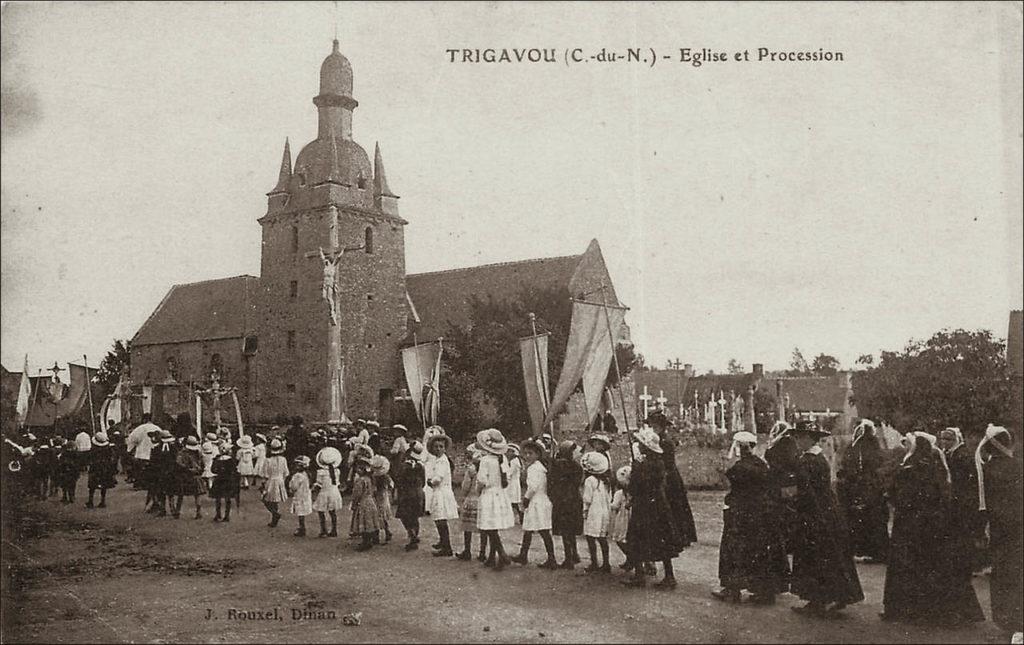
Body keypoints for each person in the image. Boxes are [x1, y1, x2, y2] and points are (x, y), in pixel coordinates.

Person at [882, 431, 983, 625]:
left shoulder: (910, 468)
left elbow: (899, 495)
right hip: (931, 525)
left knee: (907, 566)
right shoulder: (934, 467)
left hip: (909, 525)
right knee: (930, 567)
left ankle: (903, 609)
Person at [789, 423, 864, 617]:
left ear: (808, 438)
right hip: (828, 511)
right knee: (831, 555)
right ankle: (836, 596)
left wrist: (794, 503)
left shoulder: (807, 461)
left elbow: (806, 492)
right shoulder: (819, 458)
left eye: (799, 437)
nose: (796, 441)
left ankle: (818, 600)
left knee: (815, 556)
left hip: (814, 514)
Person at [713, 431, 790, 604]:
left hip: (741, 513)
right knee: (759, 551)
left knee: (734, 549)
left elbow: (731, 485)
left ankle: (732, 589)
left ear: (741, 447)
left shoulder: (739, 468)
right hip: (761, 514)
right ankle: (764, 591)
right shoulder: (761, 464)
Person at [622, 427, 684, 589]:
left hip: (644, 506)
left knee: (636, 539)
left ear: (646, 447)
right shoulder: (659, 463)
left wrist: (635, 469)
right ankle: (669, 576)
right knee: (662, 540)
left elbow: (635, 487)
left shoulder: (642, 465)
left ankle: (639, 575)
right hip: (659, 505)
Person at [976, 425, 1023, 636]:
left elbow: (983, 504)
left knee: (1003, 576)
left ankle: (1007, 624)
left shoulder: (988, 469)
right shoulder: (1018, 466)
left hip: (1000, 530)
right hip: (1018, 528)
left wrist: (980, 530)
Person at [837, 420, 890, 563]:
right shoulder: (871, 445)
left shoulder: (859, 446)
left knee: (864, 518)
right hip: (868, 487)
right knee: (869, 519)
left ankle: (866, 550)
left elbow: (854, 466)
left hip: (863, 487)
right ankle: (871, 550)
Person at [940, 427, 986, 574]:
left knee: (965, 533)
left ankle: (972, 564)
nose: (945, 442)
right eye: (943, 439)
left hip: (964, 500)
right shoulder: (950, 454)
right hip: (955, 499)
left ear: (955, 440)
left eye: (948, 439)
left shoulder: (962, 455)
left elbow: (964, 480)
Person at [651, 423, 698, 550]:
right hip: (669, 473)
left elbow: (668, 462)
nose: (653, 428)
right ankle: (681, 535)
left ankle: (681, 535)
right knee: (676, 505)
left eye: (654, 426)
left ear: (660, 427)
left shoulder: (665, 441)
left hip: (669, 475)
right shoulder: (663, 440)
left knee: (675, 505)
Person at [512, 439, 558, 569]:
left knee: (541, 530)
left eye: (530, 453)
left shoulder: (534, 468)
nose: (527, 456)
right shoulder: (540, 467)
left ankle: (551, 558)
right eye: (525, 453)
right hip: (541, 500)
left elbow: (533, 487)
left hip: (537, 501)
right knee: (529, 529)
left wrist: (526, 499)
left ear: (537, 454)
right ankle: (523, 555)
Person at [474, 429, 515, 571]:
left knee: (490, 528)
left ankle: (501, 554)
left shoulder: (485, 461)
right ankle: (492, 557)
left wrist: (478, 491)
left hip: (489, 494)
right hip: (499, 494)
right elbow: (507, 478)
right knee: (493, 527)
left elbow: (482, 480)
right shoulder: (503, 459)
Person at [764, 421, 800, 560]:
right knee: (785, 511)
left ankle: (787, 541)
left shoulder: (785, 442)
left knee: (786, 510)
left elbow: (788, 462)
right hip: (784, 483)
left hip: (784, 483)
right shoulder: (787, 443)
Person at [549, 440, 584, 569]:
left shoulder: (558, 465)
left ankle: (568, 559)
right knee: (571, 530)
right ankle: (574, 554)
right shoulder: (577, 466)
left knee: (565, 530)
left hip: (564, 501)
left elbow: (553, 479)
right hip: (574, 499)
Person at [425, 432, 459, 557]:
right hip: (439, 491)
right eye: (436, 447)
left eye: (441, 446)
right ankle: (443, 541)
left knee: (440, 519)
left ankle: (447, 547)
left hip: (441, 492)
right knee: (438, 518)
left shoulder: (442, 461)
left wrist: (430, 481)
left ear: (445, 448)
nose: (438, 449)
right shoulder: (438, 460)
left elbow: (438, 478)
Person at [581, 451, 613, 574]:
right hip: (604, 511)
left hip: (594, 512)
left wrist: (585, 511)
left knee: (590, 537)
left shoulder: (590, 480)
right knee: (602, 537)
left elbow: (587, 499)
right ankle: (606, 563)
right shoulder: (606, 481)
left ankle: (594, 562)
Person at [394, 441, 426, 551]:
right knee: (415, 516)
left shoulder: (405, 466)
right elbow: (424, 481)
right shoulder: (421, 466)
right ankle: (415, 535)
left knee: (405, 516)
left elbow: (399, 479)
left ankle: (412, 536)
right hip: (419, 492)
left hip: (407, 493)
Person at [456, 445, 485, 561]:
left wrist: (463, 497)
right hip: (482, 499)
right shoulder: (485, 469)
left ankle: (467, 550)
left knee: (468, 528)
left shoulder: (471, 469)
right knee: (484, 528)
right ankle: (482, 552)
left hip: (472, 499)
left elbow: (465, 485)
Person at [349, 454, 382, 551]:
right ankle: (374, 538)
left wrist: (354, 503)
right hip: (371, 501)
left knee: (363, 521)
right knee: (370, 520)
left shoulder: (360, 480)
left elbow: (357, 494)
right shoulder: (370, 479)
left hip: (363, 502)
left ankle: (366, 542)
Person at [312, 446, 345, 538]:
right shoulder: (337, 471)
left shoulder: (321, 472)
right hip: (334, 492)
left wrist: (314, 493)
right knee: (332, 512)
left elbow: (319, 484)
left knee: (321, 511)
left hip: (324, 492)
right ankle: (334, 529)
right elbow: (337, 483)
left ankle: (324, 530)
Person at [257, 438, 289, 528]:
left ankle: (275, 514)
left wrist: (263, 484)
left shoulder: (268, 461)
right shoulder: (283, 460)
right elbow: (286, 473)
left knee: (265, 499)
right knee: (275, 500)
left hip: (271, 481)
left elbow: (265, 475)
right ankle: (274, 516)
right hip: (280, 480)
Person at [173, 436, 206, 519]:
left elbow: (178, 463)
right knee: (197, 494)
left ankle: (177, 512)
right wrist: (199, 470)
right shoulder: (198, 453)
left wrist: (187, 469)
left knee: (181, 494)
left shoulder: (182, 453)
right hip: (196, 475)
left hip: (185, 476)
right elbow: (203, 464)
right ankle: (199, 512)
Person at [149, 430, 179, 517]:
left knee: (161, 492)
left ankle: (163, 509)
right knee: (171, 492)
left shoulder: (157, 449)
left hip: (160, 472)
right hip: (171, 472)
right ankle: (172, 509)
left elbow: (153, 461)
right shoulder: (174, 448)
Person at [85, 432, 118, 509]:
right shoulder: (108, 449)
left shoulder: (93, 449)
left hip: (95, 467)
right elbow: (112, 458)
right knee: (104, 485)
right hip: (105, 468)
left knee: (92, 485)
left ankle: (91, 501)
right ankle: (102, 501)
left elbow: (89, 458)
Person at [209, 441, 239, 522]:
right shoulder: (231, 460)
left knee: (218, 498)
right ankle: (227, 515)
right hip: (228, 480)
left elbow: (213, 470)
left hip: (219, 479)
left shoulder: (217, 459)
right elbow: (234, 470)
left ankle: (218, 514)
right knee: (227, 498)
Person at [610, 465, 632, 572]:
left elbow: (615, 506)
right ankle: (632, 560)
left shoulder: (619, 493)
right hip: (632, 518)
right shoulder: (634, 493)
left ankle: (631, 558)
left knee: (621, 540)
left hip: (623, 520)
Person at [370, 454, 394, 544]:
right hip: (383, 496)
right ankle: (386, 532)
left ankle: (378, 536)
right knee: (382, 516)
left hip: (379, 497)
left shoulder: (373, 477)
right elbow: (392, 485)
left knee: (378, 516)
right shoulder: (386, 477)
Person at [289, 455, 313, 537]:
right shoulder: (307, 474)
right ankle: (302, 527)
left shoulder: (298, 476)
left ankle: (302, 528)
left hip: (299, 495)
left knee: (300, 512)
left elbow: (294, 486)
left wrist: (291, 488)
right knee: (302, 511)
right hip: (306, 495)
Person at [506, 443, 523, 523]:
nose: (508, 453)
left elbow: (510, 473)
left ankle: (520, 515)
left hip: (512, 483)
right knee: (513, 502)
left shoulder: (514, 462)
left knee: (511, 501)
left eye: (510, 451)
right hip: (515, 483)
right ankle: (520, 515)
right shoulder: (517, 461)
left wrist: (506, 478)